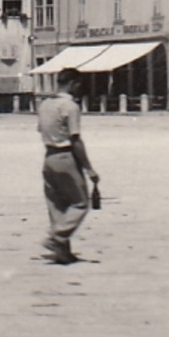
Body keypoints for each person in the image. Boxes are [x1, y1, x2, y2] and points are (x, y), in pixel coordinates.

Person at [36, 68, 101, 265]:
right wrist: (89, 169)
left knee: (57, 206)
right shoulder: (70, 106)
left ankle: (62, 252)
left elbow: (41, 129)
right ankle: (56, 237)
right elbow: (75, 140)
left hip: (49, 158)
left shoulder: (45, 104)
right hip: (66, 158)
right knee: (80, 203)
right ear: (73, 84)